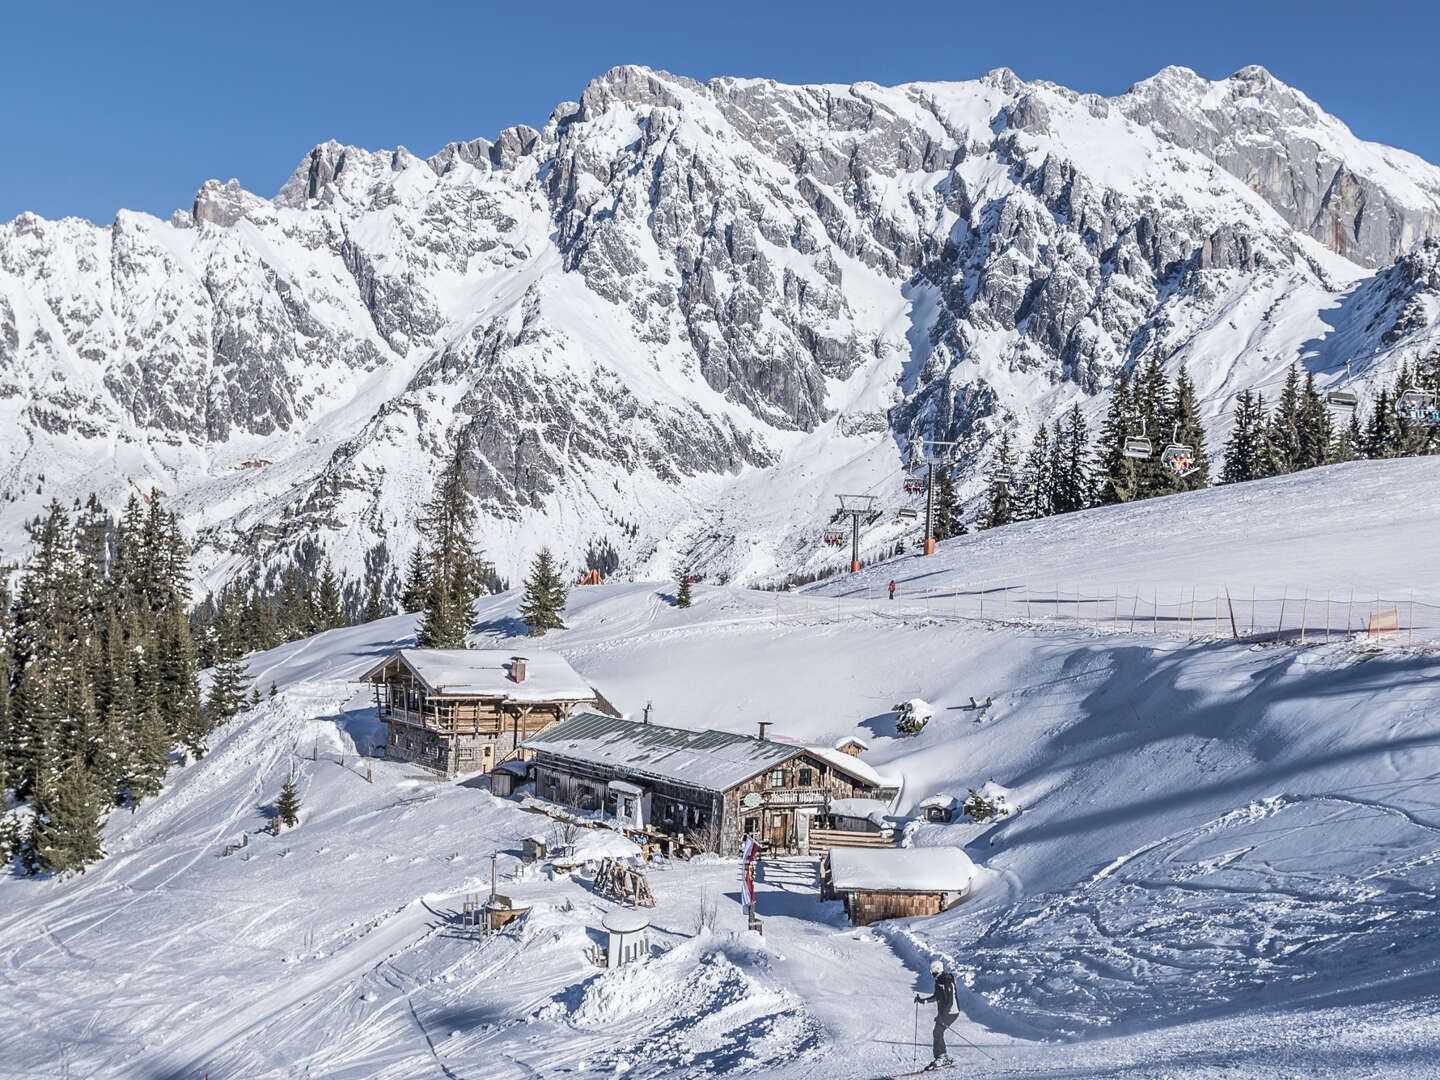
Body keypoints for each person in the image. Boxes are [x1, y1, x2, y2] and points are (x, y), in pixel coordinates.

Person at [915, 959, 958, 1068]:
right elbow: (936, 996)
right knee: (937, 1032)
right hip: (945, 1012)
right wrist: (923, 1000)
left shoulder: (947, 981)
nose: (933, 976)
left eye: (934, 973)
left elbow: (950, 1000)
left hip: (951, 1011)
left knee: (937, 1031)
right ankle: (942, 1056)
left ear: (939, 971)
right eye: (932, 974)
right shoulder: (939, 981)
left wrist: (943, 1016)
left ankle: (941, 1057)